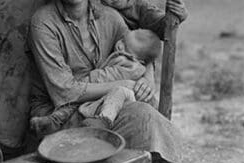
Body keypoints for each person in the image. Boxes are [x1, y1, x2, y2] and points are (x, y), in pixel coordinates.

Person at [28, 0, 182, 163]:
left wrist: (146, 77)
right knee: (142, 115)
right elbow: (63, 92)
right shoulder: (43, 22)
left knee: (146, 108)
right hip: (58, 115)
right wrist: (123, 83)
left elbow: (138, 51)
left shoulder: (109, 16)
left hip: (101, 109)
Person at [31, 29, 161, 133]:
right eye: (123, 40)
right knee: (74, 104)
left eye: (125, 48)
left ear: (140, 60)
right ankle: (54, 121)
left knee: (117, 93)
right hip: (103, 93)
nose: (119, 45)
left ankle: (104, 120)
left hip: (117, 98)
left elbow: (107, 76)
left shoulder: (131, 67)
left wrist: (87, 82)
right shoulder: (127, 57)